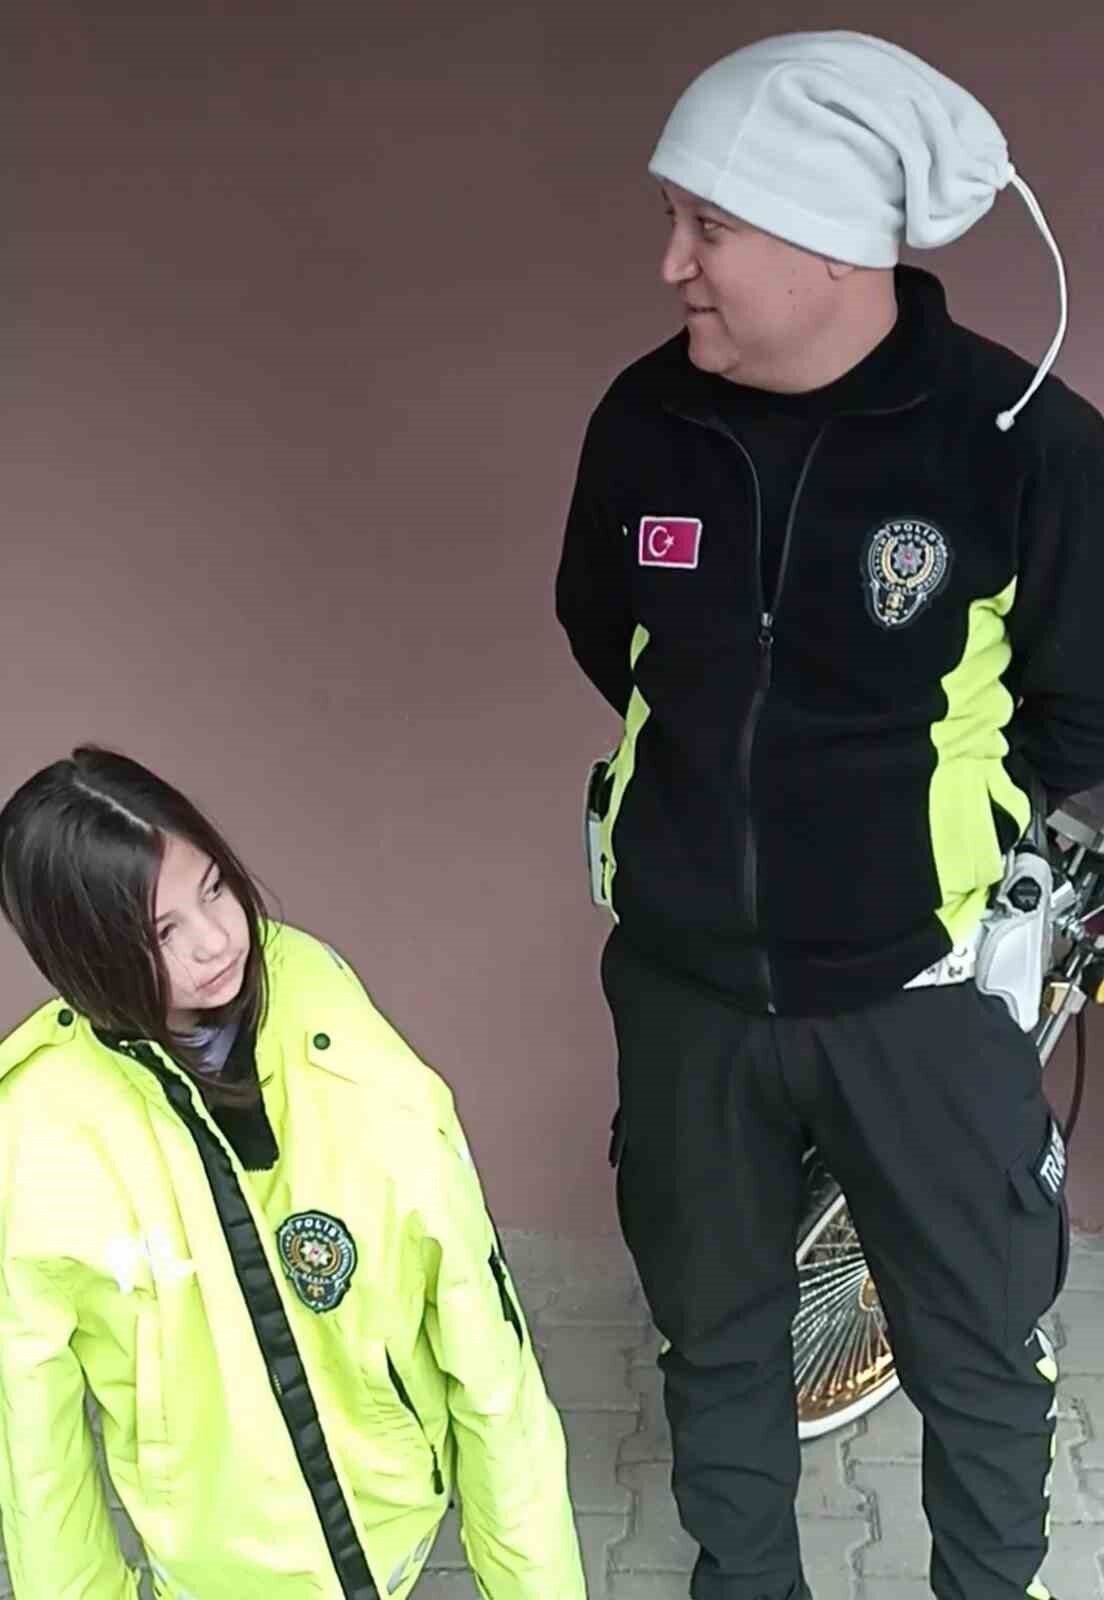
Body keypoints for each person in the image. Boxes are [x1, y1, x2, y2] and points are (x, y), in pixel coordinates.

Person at [555, 29, 1104, 1600]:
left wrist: (909, 843)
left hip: (923, 1004)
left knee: (978, 1348)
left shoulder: (1025, 445)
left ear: (826, 242)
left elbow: (1083, 711)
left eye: (706, 227)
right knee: (713, 1338)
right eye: (673, 221)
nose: (672, 263)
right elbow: (609, 635)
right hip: (685, 996)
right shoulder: (645, 419)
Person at [0, 746, 585, 1600]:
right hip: (223, 1572)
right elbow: (37, 1451)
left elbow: (475, 1310)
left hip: (395, 1530)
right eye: (162, 932)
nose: (216, 940)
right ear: (82, 952)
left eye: (213, 888)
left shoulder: (319, 1002)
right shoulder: (40, 1127)